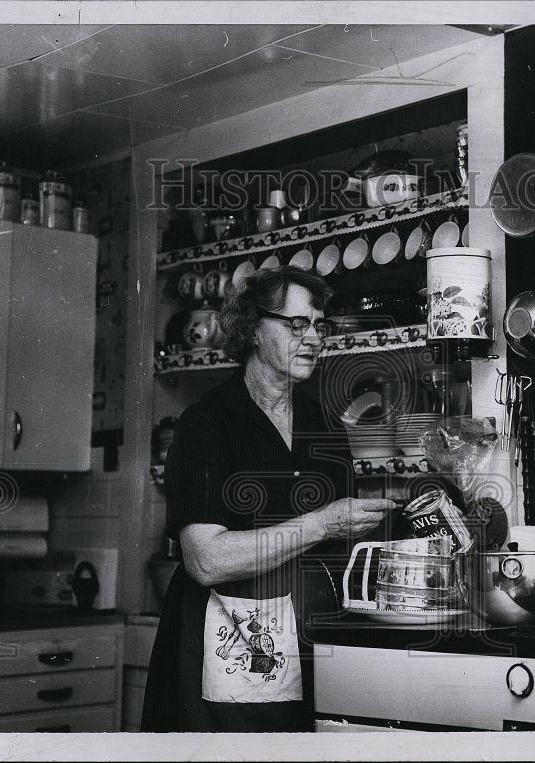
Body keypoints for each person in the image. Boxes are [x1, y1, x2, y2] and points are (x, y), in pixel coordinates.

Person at [141, 266, 396, 732]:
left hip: (307, 650)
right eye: (297, 324)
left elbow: (343, 552)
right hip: (224, 655)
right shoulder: (207, 424)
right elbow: (206, 560)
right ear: (254, 329)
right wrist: (321, 524)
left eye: (320, 325)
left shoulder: (325, 426)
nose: (314, 337)